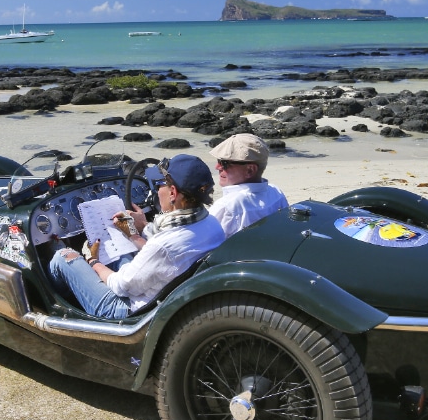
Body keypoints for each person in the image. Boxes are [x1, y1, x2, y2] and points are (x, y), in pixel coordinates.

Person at [49, 154, 225, 320]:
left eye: (159, 185)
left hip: (130, 311)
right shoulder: (211, 223)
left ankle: (63, 311)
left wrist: (92, 260)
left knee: (62, 257)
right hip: (170, 297)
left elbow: (119, 285)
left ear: (173, 192)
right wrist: (135, 232)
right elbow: (165, 256)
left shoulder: (162, 245)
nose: (156, 190)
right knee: (120, 253)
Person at [208, 133, 289, 238]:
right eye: (218, 161)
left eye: (224, 163)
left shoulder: (226, 206)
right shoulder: (276, 192)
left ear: (250, 170)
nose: (217, 167)